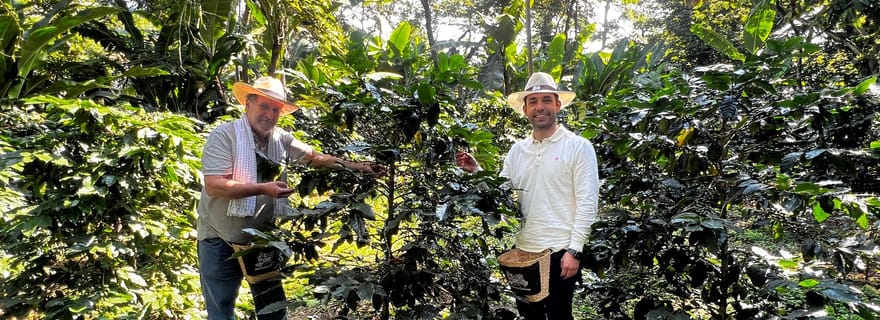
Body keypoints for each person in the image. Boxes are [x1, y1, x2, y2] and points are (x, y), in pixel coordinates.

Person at [197, 75, 386, 320]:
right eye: (264, 106)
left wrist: (361, 167)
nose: (269, 114)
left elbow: (316, 157)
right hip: (218, 237)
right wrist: (263, 189)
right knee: (220, 309)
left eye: (275, 109)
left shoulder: (280, 139)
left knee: (272, 308)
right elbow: (215, 186)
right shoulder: (225, 136)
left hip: (261, 238)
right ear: (248, 104)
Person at [456, 72, 599, 320]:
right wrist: (476, 172)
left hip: (560, 250)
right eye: (533, 102)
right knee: (529, 315)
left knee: (559, 315)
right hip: (524, 249)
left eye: (546, 100)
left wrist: (575, 251)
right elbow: (500, 191)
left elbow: (588, 201)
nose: (539, 107)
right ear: (525, 109)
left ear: (557, 104)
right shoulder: (517, 150)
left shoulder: (578, 146)